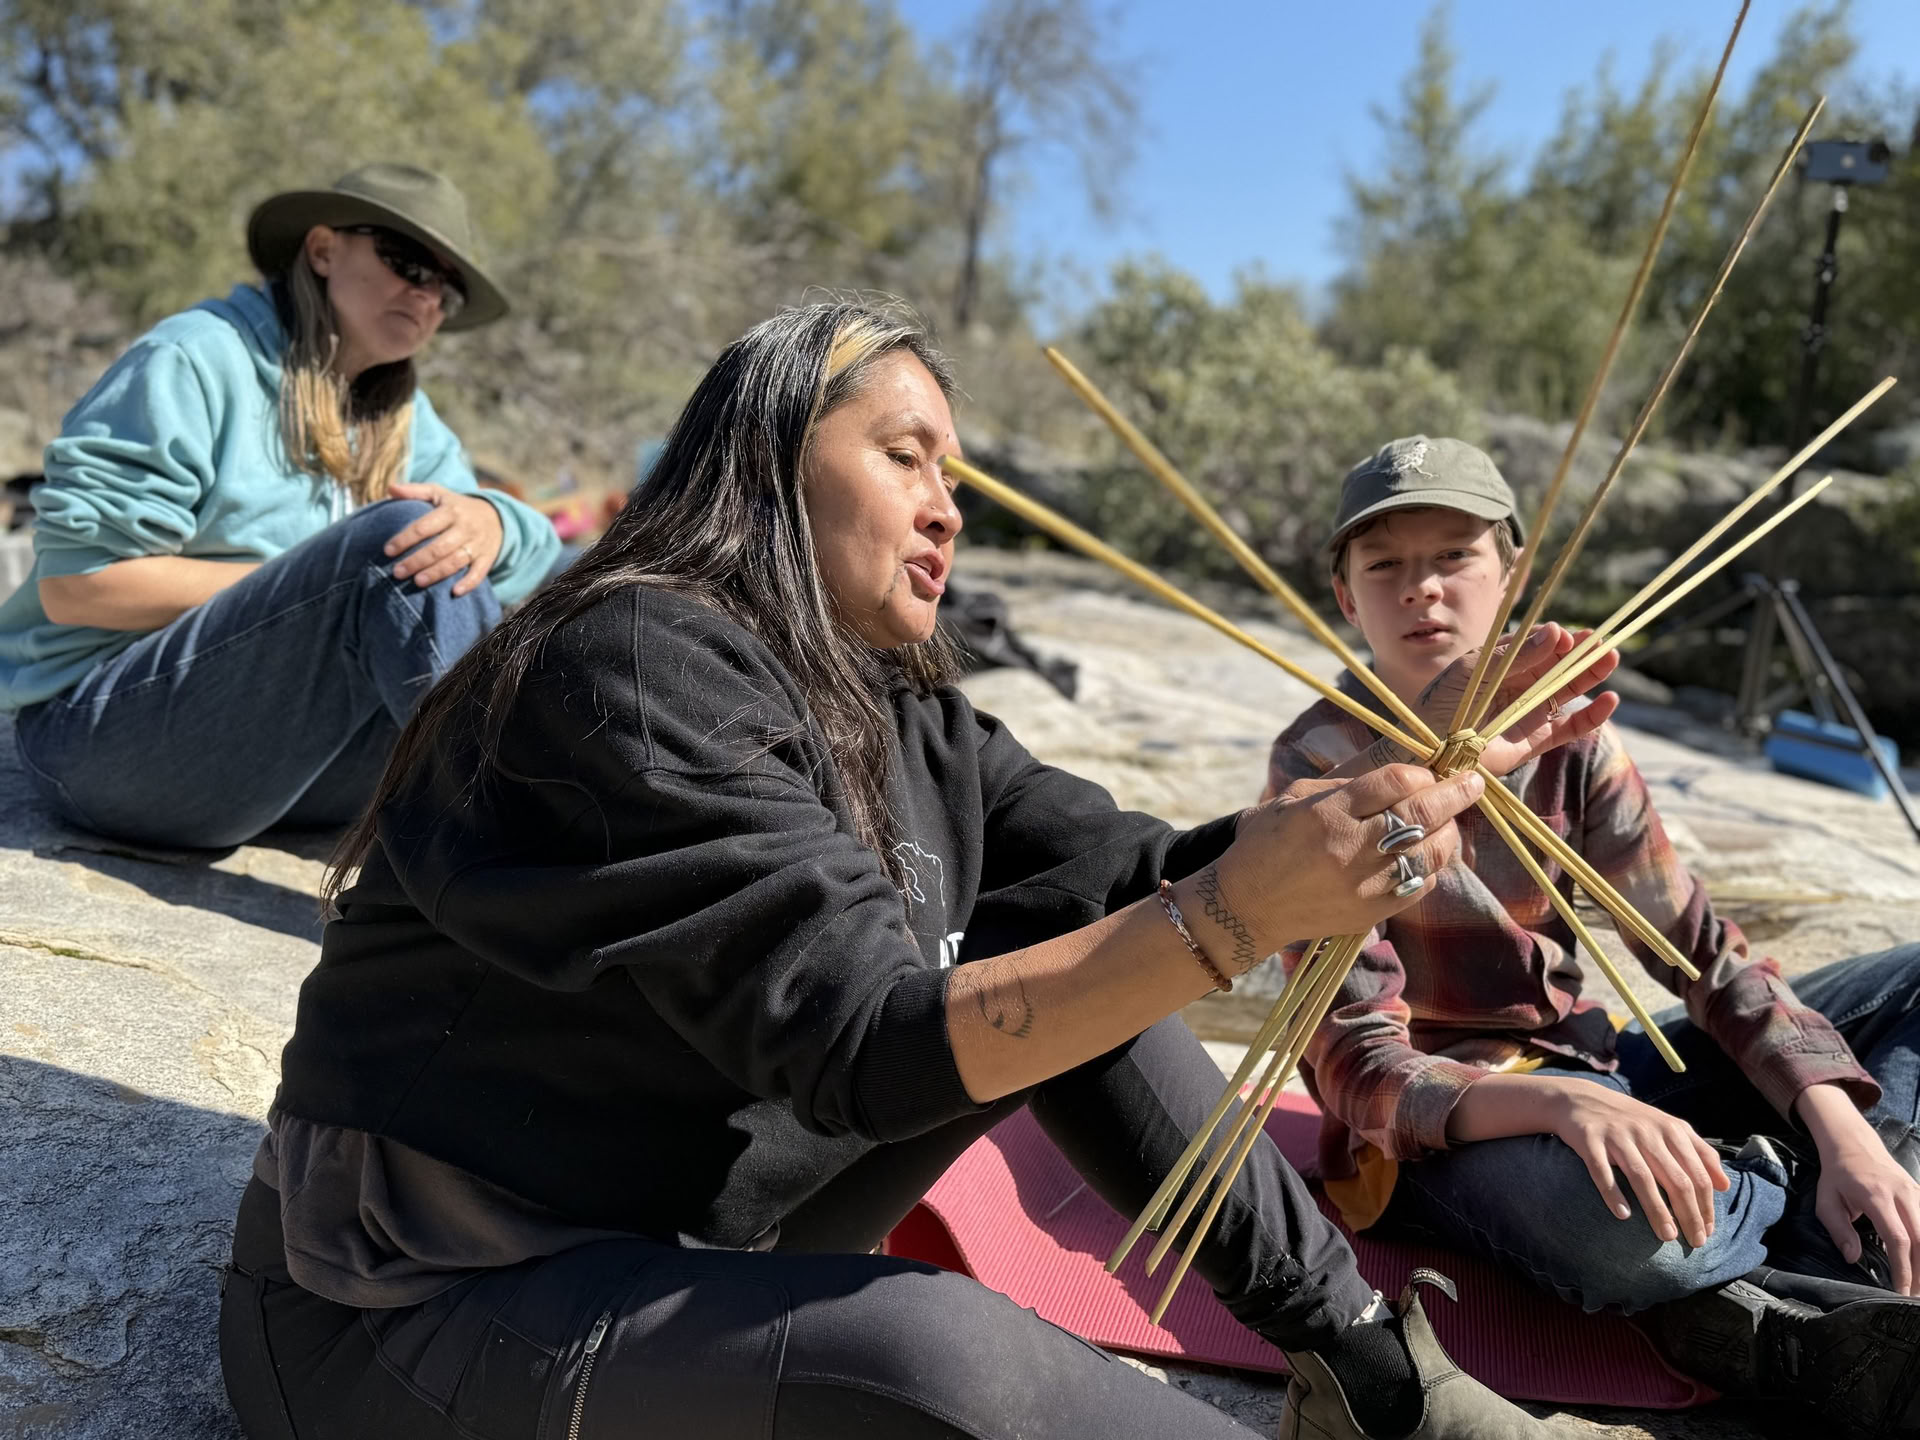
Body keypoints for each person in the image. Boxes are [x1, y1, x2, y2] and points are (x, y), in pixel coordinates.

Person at [219, 303, 1620, 1440]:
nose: (947, 507)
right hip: (417, 1303)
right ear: (765, 454)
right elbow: (865, 1052)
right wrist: (1234, 909)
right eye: (906, 454)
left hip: (675, 1238)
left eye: (956, 473)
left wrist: (1378, 808)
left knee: (1094, 950)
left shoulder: (905, 711)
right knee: (939, 1356)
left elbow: (1140, 877)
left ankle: (1377, 1374)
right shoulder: (625, 662)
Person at [1263, 435, 1920, 1439]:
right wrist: (1553, 1104)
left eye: (1454, 558)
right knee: (1619, 1234)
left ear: (1511, 573)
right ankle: (1800, 1236)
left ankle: (1848, 1198)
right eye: (1384, 566)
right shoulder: (1321, 766)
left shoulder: (1571, 738)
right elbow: (1358, 1069)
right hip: (1455, 1136)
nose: (1422, 591)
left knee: (1909, 985)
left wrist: (1844, 1128)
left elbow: (1703, 955)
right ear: (1346, 599)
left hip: (1604, 1074)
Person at [0, 163, 560, 848]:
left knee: (597, 580)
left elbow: (511, 569)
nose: (426, 296)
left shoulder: (405, 419)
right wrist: (320, 592)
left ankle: (618, 838)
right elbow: (77, 588)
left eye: (446, 288)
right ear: (323, 250)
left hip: (280, 769)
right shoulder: (196, 359)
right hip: (99, 740)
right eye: (407, 262)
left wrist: (497, 522)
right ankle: (525, 863)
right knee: (401, 545)